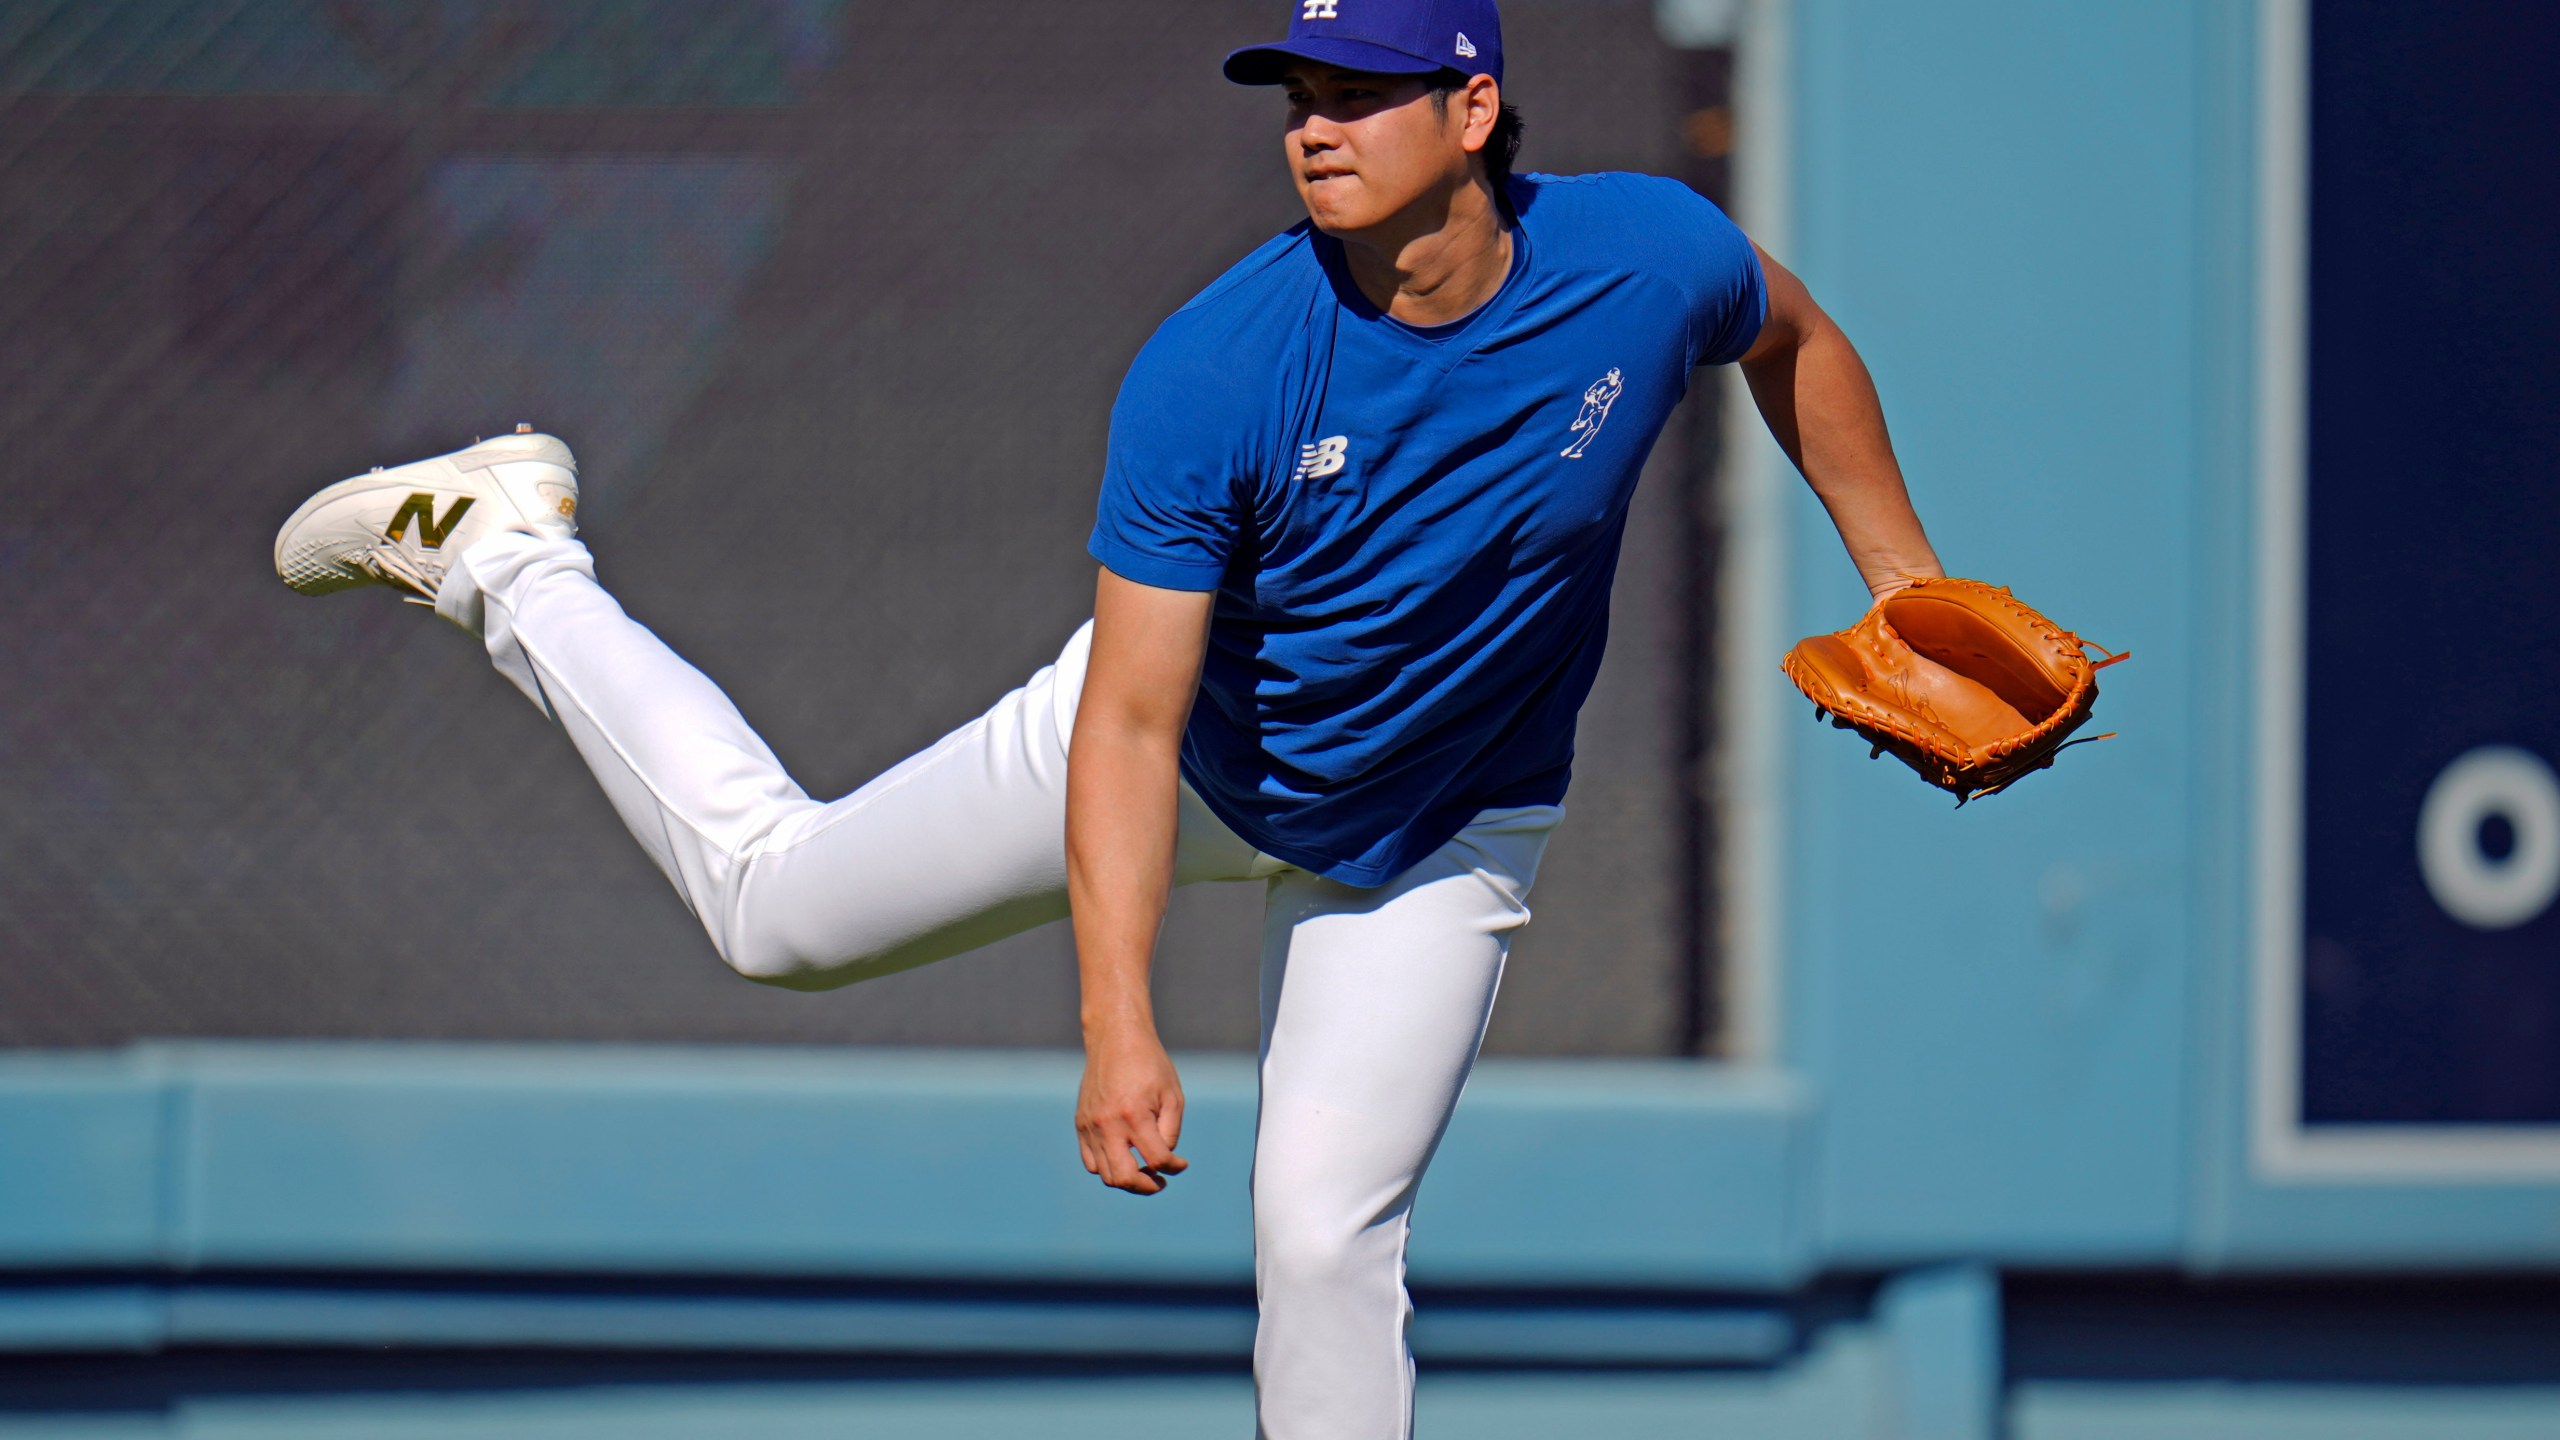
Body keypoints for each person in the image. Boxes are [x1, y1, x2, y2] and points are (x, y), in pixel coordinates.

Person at [271, 0, 1940, 1432]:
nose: (1316, 129)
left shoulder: (1649, 258)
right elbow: (1130, 729)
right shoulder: (1220, 366)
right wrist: (1119, 1024)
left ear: (1475, 109)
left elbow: (1793, 338)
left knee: (1321, 1235)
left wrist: (1904, 592)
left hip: (1434, 830)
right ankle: (506, 555)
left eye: (1359, 92)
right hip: (1188, 761)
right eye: (1300, 98)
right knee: (777, 916)